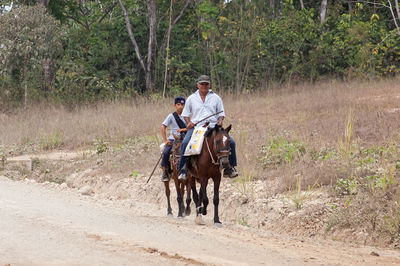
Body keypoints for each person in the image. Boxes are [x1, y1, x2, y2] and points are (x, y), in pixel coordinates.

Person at [178, 75, 238, 180]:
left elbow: (221, 114)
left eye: (206, 84)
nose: (204, 86)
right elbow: (185, 115)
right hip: (196, 127)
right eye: (202, 84)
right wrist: (189, 123)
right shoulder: (191, 98)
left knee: (231, 142)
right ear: (198, 85)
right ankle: (183, 169)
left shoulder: (216, 97)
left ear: (209, 85)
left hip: (213, 127)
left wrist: (220, 121)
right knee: (185, 143)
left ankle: (230, 168)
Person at [160, 96, 187, 182]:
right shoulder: (171, 116)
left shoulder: (187, 116)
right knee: (165, 152)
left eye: (182, 104)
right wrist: (165, 140)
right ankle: (165, 171)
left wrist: (184, 130)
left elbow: (191, 127)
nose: (180, 106)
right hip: (173, 139)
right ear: (175, 105)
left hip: (185, 138)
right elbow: (163, 127)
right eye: (178, 104)